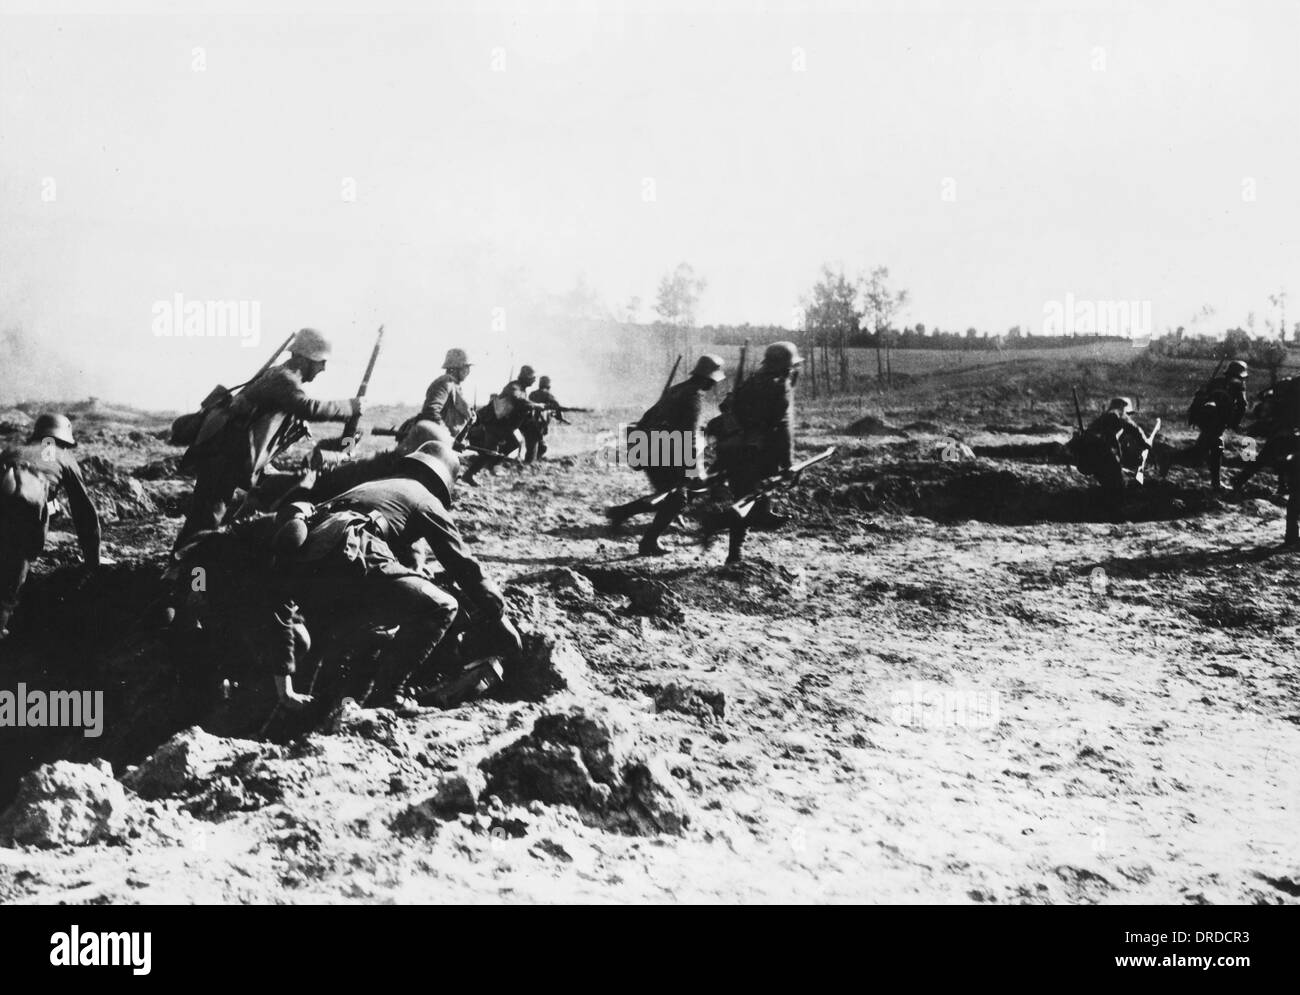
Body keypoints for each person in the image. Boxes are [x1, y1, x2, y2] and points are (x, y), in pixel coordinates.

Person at [176, 328, 362, 546]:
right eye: (321, 361)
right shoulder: (284, 379)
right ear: (305, 358)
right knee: (207, 517)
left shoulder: (280, 375)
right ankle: (182, 570)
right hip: (224, 456)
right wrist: (350, 407)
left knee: (263, 494)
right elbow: (307, 408)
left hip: (235, 455)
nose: (323, 367)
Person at [607, 355, 725, 556]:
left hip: (649, 447)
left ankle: (620, 513)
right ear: (708, 379)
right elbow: (687, 436)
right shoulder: (694, 397)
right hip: (664, 449)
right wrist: (691, 468)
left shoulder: (676, 390)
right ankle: (648, 542)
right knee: (678, 497)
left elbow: (647, 419)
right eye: (713, 381)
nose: (713, 385)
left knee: (667, 495)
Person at [0, 414, 101, 639]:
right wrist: (92, 561)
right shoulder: (63, 456)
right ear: (64, 439)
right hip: (22, 509)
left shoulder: (14, 450)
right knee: (13, 571)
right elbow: (84, 513)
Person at [714, 342, 800, 564]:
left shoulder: (751, 382)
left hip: (733, 448)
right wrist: (788, 463)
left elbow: (726, 407)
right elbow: (783, 428)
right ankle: (734, 552)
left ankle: (763, 515)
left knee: (747, 495)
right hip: (759, 452)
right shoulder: (780, 387)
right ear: (786, 367)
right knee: (747, 500)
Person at [1160, 360, 1248, 489]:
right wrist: (1234, 423)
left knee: (1214, 448)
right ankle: (1170, 458)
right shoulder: (1236, 386)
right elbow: (1242, 406)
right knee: (1201, 452)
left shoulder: (1217, 382)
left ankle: (1215, 483)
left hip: (1207, 419)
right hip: (1213, 420)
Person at [462, 365, 545, 484]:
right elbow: (517, 399)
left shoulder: (522, 390)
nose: (534, 380)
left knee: (513, 443)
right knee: (489, 451)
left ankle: (493, 463)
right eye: (532, 378)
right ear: (525, 377)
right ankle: (470, 474)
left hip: (503, 427)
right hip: (494, 424)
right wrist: (536, 405)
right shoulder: (514, 386)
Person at [1073, 397, 1152, 508]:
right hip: (1103, 451)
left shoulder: (1102, 418)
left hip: (1089, 455)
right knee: (1118, 482)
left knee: (1107, 482)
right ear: (1124, 408)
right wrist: (1146, 444)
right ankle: (1119, 509)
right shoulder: (1118, 413)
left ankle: (1107, 507)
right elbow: (1134, 428)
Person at [395, 348, 474, 453]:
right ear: (455, 368)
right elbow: (431, 411)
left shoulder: (455, 386)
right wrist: (447, 437)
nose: (468, 371)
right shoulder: (445, 382)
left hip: (439, 443)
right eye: (465, 367)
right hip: (426, 442)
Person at [522, 375, 569, 463]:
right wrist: (561, 418)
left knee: (540, 446)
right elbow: (557, 406)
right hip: (538, 423)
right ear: (549, 386)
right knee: (535, 445)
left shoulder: (532, 394)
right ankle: (529, 463)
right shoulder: (548, 395)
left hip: (530, 422)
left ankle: (534, 460)